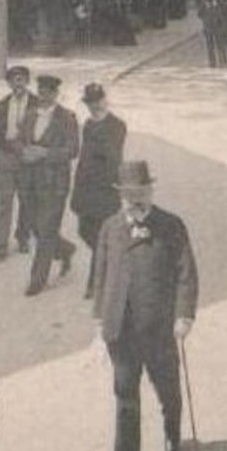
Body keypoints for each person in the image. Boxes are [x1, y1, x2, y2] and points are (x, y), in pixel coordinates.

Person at [90, 161, 199, 451]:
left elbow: (186, 273)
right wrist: (99, 320)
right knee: (124, 391)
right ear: (120, 196)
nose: (134, 200)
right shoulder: (110, 227)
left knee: (166, 384)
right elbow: (100, 274)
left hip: (159, 326)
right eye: (128, 194)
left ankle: (172, 428)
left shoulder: (171, 225)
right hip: (119, 328)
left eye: (140, 192)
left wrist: (184, 315)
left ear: (150, 191)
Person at [20, 75, 80, 296]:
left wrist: (45, 153)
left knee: (45, 230)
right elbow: (20, 140)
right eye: (41, 91)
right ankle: (65, 249)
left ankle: (38, 279)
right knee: (36, 227)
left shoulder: (67, 118)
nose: (43, 96)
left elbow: (73, 150)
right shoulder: (29, 115)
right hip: (31, 181)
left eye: (48, 92)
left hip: (55, 184)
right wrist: (24, 151)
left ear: (56, 94)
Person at [71, 83, 128, 300]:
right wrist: (76, 192)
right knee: (85, 232)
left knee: (100, 236)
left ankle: (95, 284)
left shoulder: (117, 125)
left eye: (97, 101)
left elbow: (112, 157)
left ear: (104, 100)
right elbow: (84, 160)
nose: (94, 106)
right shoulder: (87, 125)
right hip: (86, 190)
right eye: (90, 103)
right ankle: (110, 265)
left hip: (105, 190)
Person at [0, 66, 36, 263]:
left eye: (22, 79)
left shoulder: (36, 105)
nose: (18, 83)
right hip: (5, 157)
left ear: (27, 81)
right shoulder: (2, 105)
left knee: (28, 201)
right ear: (9, 83)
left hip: (27, 159)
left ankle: (23, 237)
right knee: (1, 203)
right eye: (14, 80)